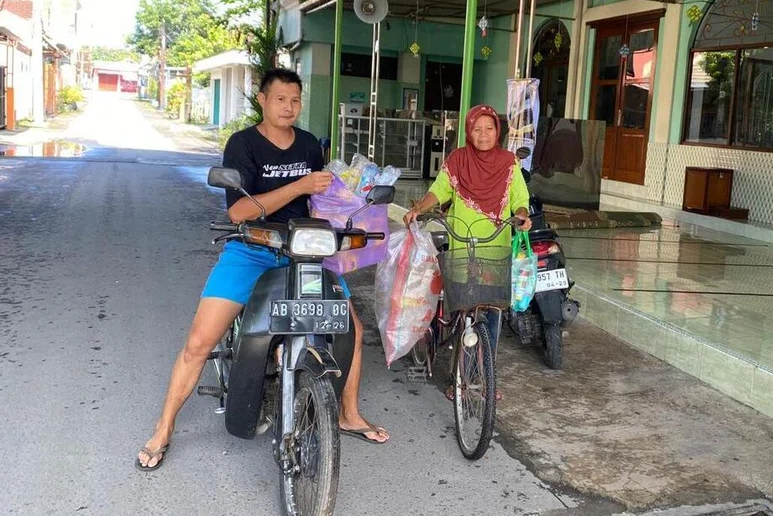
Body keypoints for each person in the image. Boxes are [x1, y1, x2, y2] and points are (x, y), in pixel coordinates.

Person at [136, 69, 388, 472]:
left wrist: (351, 199)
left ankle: (348, 413)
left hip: (302, 251)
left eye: (295, 100)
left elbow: (317, 200)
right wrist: (299, 186)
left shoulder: (308, 144)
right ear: (263, 100)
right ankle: (163, 428)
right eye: (280, 99)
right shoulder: (243, 145)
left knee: (352, 331)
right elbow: (237, 210)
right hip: (251, 248)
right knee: (200, 342)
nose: (289, 107)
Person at [403, 104, 532, 399]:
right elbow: (440, 190)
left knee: (493, 315)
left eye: (489, 129)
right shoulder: (458, 159)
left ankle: (487, 376)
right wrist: (419, 209)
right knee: (463, 311)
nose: (483, 135)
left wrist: (522, 215)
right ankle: (459, 375)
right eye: (477, 129)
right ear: (468, 131)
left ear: (497, 131)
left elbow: (519, 198)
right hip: (463, 244)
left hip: (496, 247)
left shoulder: (509, 162)